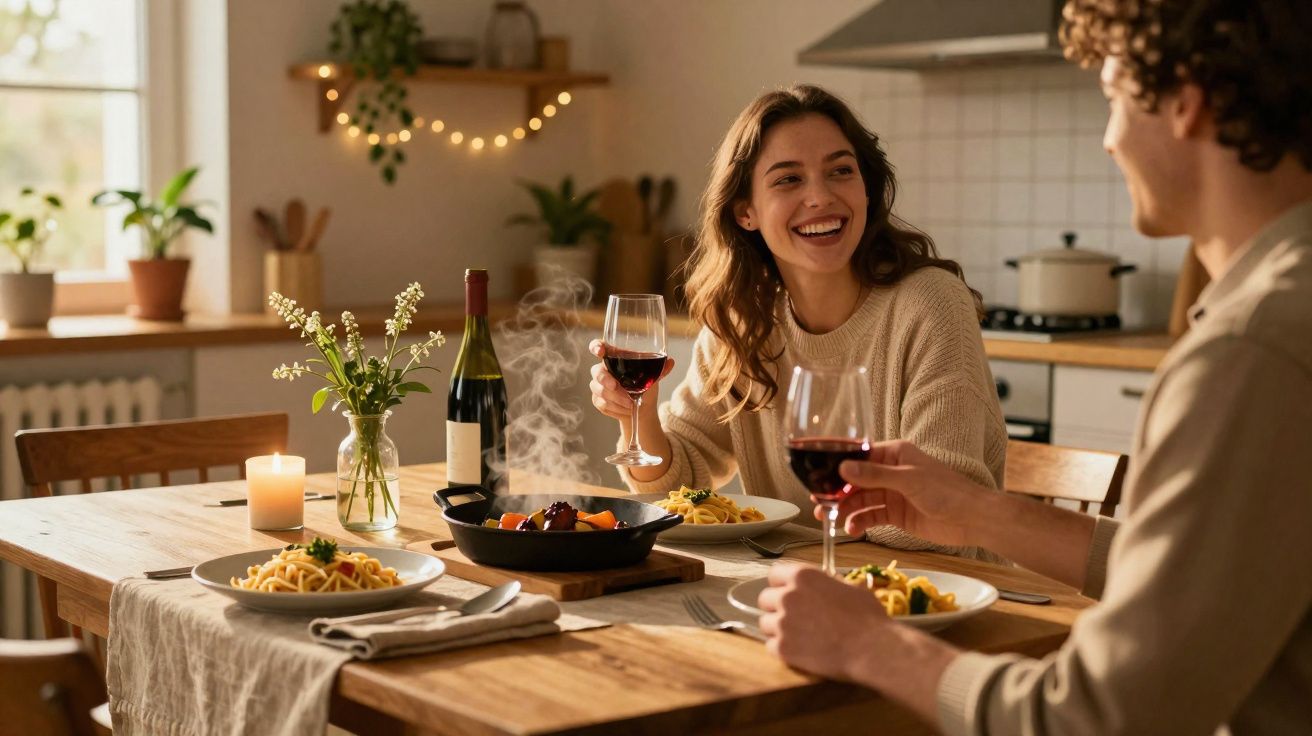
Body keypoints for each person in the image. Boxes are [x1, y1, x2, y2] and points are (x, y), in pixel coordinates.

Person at [759, 1, 1312, 733]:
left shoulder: (1252, 350)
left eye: (1113, 97)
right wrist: (980, 511)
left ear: (1188, 100)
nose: (1109, 140)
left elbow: (1100, 719)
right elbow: (1213, 575)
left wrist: (868, 645)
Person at [588, 84, 1006, 556]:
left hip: (938, 589)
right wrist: (638, 413)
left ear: (866, 189)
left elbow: (942, 516)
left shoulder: (931, 306)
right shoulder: (744, 319)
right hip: (800, 577)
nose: (820, 197)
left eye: (841, 171)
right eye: (789, 179)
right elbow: (676, 488)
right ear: (746, 212)